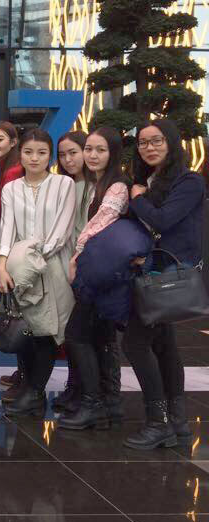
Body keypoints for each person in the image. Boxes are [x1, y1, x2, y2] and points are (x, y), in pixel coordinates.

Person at [122, 119, 204, 450]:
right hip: (152, 272)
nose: (149, 147)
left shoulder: (189, 181)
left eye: (156, 141)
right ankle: (178, 423)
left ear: (171, 142)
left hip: (169, 273)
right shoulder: (148, 180)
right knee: (165, 346)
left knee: (135, 343)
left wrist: (137, 198)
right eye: (143, 142)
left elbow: (164, 220)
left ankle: (159, 422)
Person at [0, 128, 76, 417]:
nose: (34, 158)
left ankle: (35, 392)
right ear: (20, 154)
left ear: (50, 156)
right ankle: (29, 389)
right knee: (25, 329)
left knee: (47, 331)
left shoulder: (64, 184)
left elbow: (62, 232)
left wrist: (34, 258)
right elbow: (7, 230)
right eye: (28, 152)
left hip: (53, 266)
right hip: (20, 268)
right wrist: (2, 265)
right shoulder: (11, 189)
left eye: (41, 153)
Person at [59, 126, 131, 430]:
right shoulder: (95, 184)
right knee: (102, 337)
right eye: (89, 148)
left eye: (100, 150)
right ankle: (109, 402)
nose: (92, 155)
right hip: (99, 270)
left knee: (77, 334)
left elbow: (98, 226)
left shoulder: (117, 187)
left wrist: (75, 257)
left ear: (113, 153)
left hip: (102, 273)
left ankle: (93, 403)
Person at [54, 130, 93, 413]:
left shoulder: (95, 187)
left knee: (86, 334)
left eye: (73, 153)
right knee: (73, 333)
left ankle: (92, 394)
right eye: (63, 155)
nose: (68, 160)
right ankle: (74, 386)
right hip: (67, 264)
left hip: (87, 266)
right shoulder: (64, 185)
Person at [0, 120, 26, 394]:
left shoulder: (15, 171)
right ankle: (24, 372)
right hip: (9, 246)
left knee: (23, 315)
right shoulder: (1, 169)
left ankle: (28, 377)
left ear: (13, 142)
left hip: (16, 249)